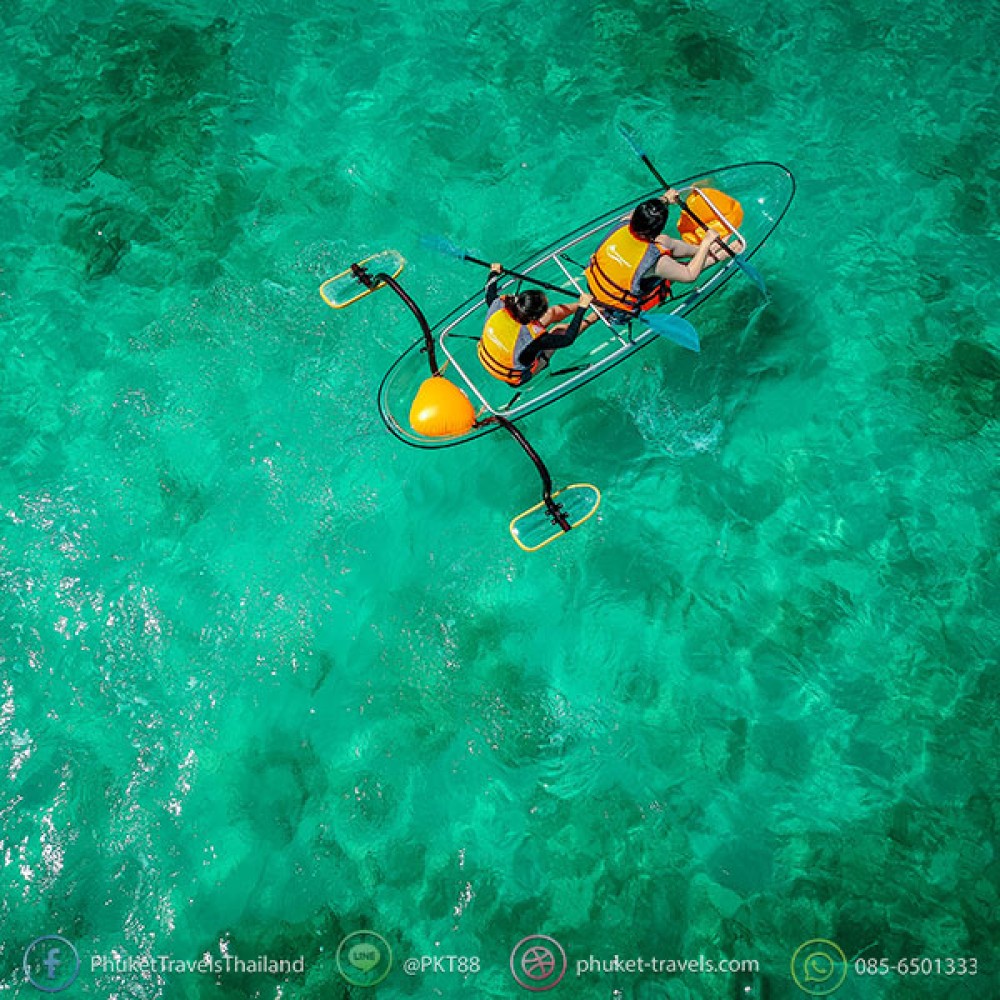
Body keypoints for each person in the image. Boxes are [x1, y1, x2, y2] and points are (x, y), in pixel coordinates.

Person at [585, 189, 737, 324]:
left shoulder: (623, 224)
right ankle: (717, 255)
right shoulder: (653, 260)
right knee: (672, 267)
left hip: (594, 285)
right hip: (619, 309)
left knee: (663, 241)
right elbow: (689, 275)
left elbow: (642, 212)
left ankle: (702, 250)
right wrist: (706, 242)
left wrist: (665, 199)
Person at [477, 264, 593, 385]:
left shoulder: (497, 306)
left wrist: (494, 272)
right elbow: (568, 339)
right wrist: (581, 310)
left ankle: (585, 302)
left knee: (551, 312)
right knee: (559, 330)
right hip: (516, 376)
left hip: (492, 355)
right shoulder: (532, 340)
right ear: (534, 317)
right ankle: (598, 314)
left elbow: (489, 291)